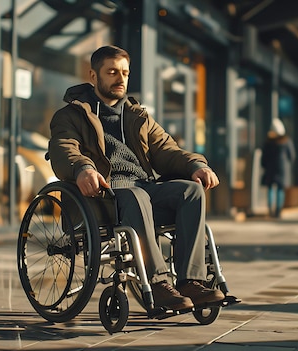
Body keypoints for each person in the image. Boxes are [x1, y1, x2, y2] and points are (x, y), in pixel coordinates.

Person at [48, 45, 224, 311]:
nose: (120, 79)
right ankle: (158, 283)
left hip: (142, 187)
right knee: (137, 195)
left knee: (191, 192)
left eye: (125, 72)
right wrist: (83, 168)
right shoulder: (70, 116)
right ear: (93, 76)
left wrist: (196, 165)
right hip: (103, 194)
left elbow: (167, 149)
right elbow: (64, 148)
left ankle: (191, 282)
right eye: (112, 72)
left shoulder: (136, 115)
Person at [260, 119, 295, 218]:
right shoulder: (286, 141)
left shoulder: (268, 142)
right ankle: (278, 211)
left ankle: (271, 209)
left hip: (270, 169)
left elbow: (264, 157)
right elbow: (292, 156)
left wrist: (265, 166)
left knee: (271, 188)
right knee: (280, 189)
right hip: (283, 169)